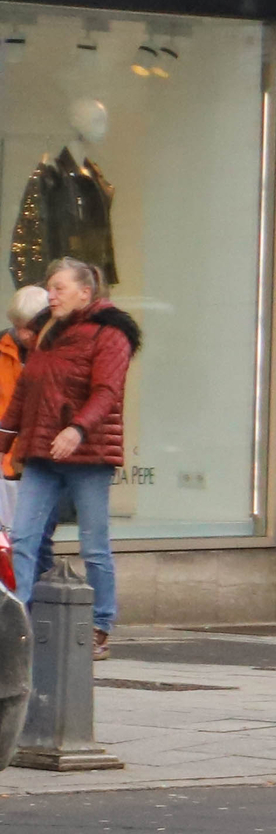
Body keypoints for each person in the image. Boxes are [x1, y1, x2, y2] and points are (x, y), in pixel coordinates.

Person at [1, 258, 140, 660]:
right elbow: (26, 391)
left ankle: (100, 625)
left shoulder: (111, 333)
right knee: (23, 539)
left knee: (93, 544)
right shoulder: (48, 331)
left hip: (89, 454)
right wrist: (4, 439)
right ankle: (18, 626)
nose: (52, 294)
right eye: (50, 287)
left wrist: (77, 429)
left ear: (85, 291)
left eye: (60, 287)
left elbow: (107, 391)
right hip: (42, 451)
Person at [0, 286, 48, 530]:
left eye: (28, 327)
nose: (23, 334)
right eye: (17, 326)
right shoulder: (1, 347)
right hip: (4, 454)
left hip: (37, 455)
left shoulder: (54, 354)